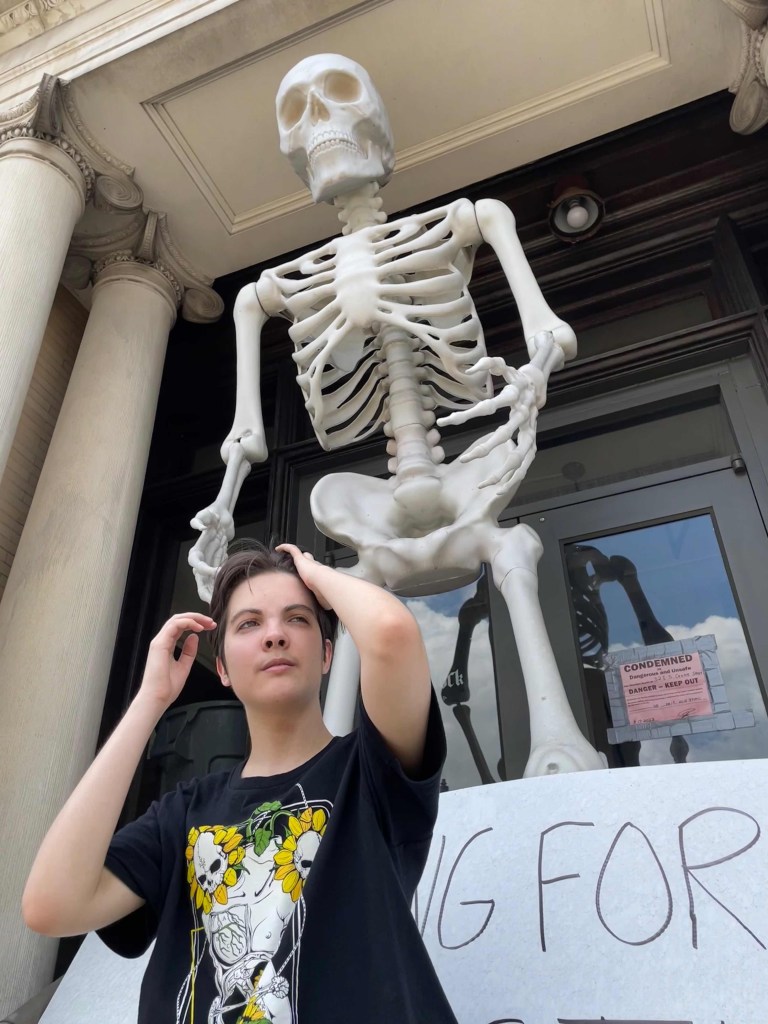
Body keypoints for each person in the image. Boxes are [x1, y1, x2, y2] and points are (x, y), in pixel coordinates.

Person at [23, 542, 458, 1023]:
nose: (275, 635)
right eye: (249, 624)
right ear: (223, 669)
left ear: (327, 654)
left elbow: (391, 633)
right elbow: (51, 905)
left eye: (297, 618)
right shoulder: (184, 813)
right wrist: (151, 699)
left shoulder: (370, 774)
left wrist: (315, 573)